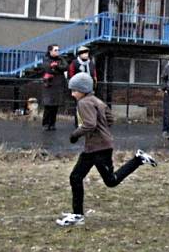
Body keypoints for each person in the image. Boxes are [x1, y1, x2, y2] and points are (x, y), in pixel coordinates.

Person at [56, 72, 156, 227]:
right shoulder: (97, 101)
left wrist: (75, 135)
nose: (72, 93)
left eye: (74, 90)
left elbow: (89, 124)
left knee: (111, 181)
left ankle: (138, 159)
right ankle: (77, 214)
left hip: (99, 148)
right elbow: (110, 119)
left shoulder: (84, 103)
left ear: (82, 90)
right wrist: (102, 131)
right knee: (75, 177)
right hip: (94, 147)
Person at [68, 45, 97, 128]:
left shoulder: (90, 63)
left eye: (87, 53)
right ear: (80, 54)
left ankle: (88, 122)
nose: (86, 55)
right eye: (84, 53)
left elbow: (94, 74)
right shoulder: (74, 63)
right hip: (78, 88)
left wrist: (94, 83)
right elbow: (71, 75)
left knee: (88, 105)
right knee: (79, 105)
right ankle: (79, 123)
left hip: (89, 88)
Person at [41, 44, 67, 131]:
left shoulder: (60, 58)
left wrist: (57, 66)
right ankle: (45, 124)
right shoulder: (46, 59)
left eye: (58, 50)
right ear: (50, 51)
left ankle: (52, 124)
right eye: (55, 50)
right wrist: (55, 67)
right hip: (49, 85)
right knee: (48, 106)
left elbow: (65, 66)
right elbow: (48, 68)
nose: (57, 51)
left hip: (58, 85)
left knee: (55, 106)